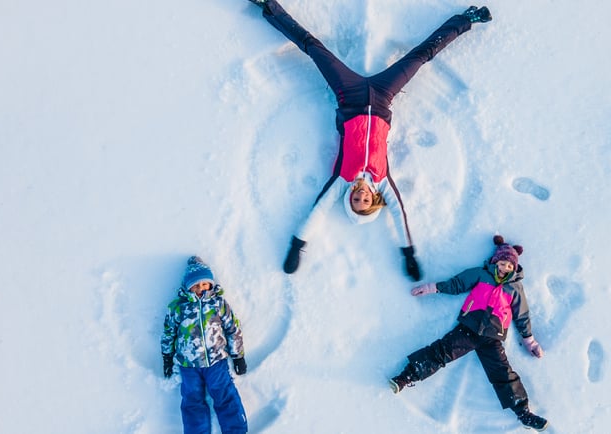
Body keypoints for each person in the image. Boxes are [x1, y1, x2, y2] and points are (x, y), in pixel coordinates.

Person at [247, 0, 492, 281]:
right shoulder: (383, 180)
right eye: (365, 200)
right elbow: (399, 215)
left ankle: (269, 6)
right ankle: (466, 19)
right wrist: (408, 253)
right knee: (420, 56)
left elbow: (317, 210)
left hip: (349, 96)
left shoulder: (343, 177)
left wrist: (297, 245)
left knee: (314, 48)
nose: (360, 195)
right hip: (382, 95)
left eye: (355, 199)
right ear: (374, 198)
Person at [389, 236, 549, 432]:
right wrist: (433, 288)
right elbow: (457, 284)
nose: (504, 267)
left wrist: (530, 341)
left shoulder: (515, 288)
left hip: (493, 337)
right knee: (440, 352)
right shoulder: (481, 275)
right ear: (494, 261)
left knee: (502, 373)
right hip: (468, 329)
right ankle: (406, 376)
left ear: (514, 268)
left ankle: (524, 413)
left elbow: (521, 315)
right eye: (501, 262)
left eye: (509, 265)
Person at [161, 256, 249, 434]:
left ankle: (236, 430)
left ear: (211, 284)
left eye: (204, 284)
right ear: (187, 286)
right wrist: (167, 355)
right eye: (196, 285)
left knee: (224, 394)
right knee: (192, 400)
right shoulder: (178, 307)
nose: (200, 289)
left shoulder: (218, 304)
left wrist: (238, 356)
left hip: (216, 361)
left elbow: (233, 328)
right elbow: (169, 332)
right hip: (188, 365)